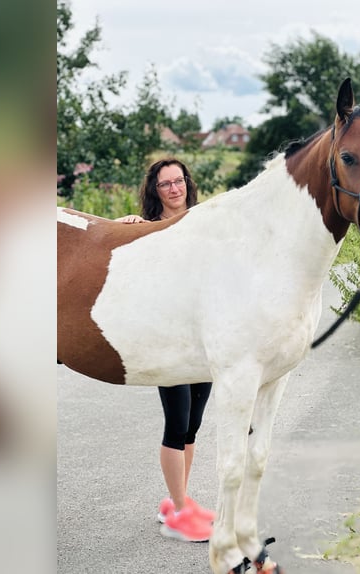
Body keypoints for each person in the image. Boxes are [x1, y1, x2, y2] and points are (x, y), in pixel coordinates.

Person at [116, 158, 215, 543]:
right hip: (168, 341)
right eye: (165, 184)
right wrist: (125, 228)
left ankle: (179, 502)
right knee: (176, 424)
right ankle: (177, 512)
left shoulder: (204, 222)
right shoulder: (148, 229)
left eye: (179, 181)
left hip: (203, 341)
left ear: (187, 184)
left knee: (193, 426)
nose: (174, 189)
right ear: (154, 191)